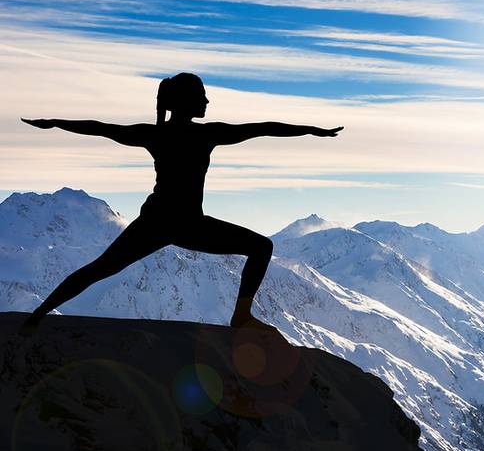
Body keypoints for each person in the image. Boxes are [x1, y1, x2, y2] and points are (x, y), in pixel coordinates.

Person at [20, 72, 343, 332]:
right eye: (201, 96)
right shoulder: (206, 134)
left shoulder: (156, 134)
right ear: (186, 101)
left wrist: (54, 122)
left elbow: (100, 128)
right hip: (186, 224)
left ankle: (39, 314)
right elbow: (263, 129)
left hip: (159, 221)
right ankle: (241, 316)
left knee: (100, 269)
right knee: (260, 247)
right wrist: (312, 131)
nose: (206, 101)